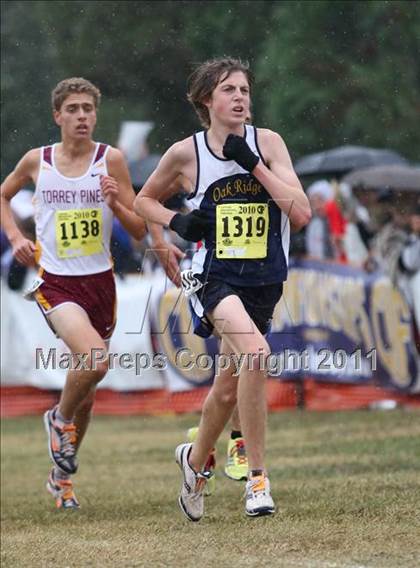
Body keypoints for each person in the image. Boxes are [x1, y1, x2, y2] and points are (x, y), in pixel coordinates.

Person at [134, 57, 311, 520]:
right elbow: (143, 200)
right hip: (213, 277)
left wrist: (254, 165)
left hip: (264, 280)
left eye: (245, 91)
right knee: (257, 355)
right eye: (229, 90)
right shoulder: (185, 153)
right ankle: (257, 480)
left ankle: (193, 466)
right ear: (206, 100)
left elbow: (301, 213)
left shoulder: (268, 144)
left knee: (228, 391)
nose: (239, 98)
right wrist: (178, 221)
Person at [0, 77, 146, 509]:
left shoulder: (111, 159)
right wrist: (13, 239)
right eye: (74, 109)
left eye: (88, 109)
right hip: (56, 283)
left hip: (101, 283)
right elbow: (3, 196)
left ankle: (61, 475)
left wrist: (117, 201)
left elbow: (138, 230)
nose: (82, 116)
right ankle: (57, 418)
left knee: (89, 385)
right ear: (58, 116)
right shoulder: (37, 161)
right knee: (95, 360)